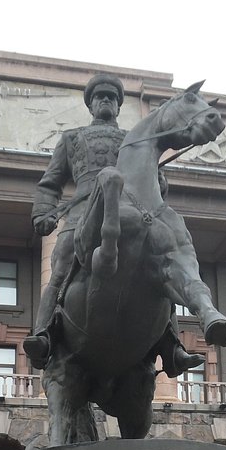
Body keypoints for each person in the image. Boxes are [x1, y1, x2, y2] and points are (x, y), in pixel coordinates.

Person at [23, 73, 202, 377]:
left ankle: (172, 347)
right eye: (99, 96)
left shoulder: (135, 140)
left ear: (118, 106)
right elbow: (49, 184)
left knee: (161, 265)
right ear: (90, 104)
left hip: (128, 212)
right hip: (81, 213)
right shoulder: (71, 138)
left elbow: (156, 183)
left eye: (111, 97)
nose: (105, 101)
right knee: (63, 260)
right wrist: (43, 212)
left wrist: (156, 181)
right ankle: (44, 334)